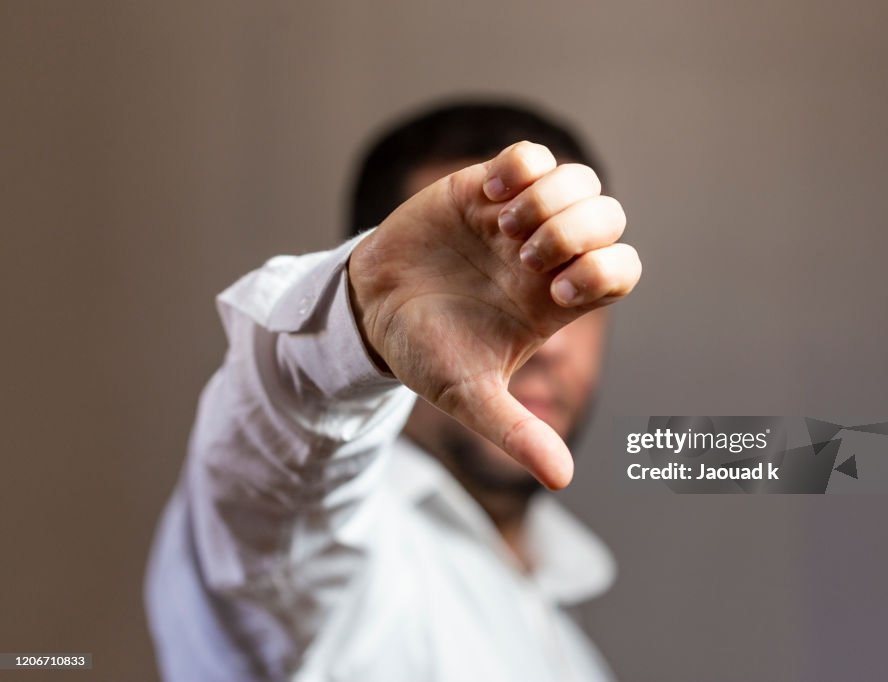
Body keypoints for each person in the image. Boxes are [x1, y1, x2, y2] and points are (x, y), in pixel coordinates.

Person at [145, 100, 642, 682]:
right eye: (477, 288)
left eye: (567, 282)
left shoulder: (559, 619)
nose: (548, 346)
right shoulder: (324, 565)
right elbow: (275, 478)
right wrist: (354, 322)